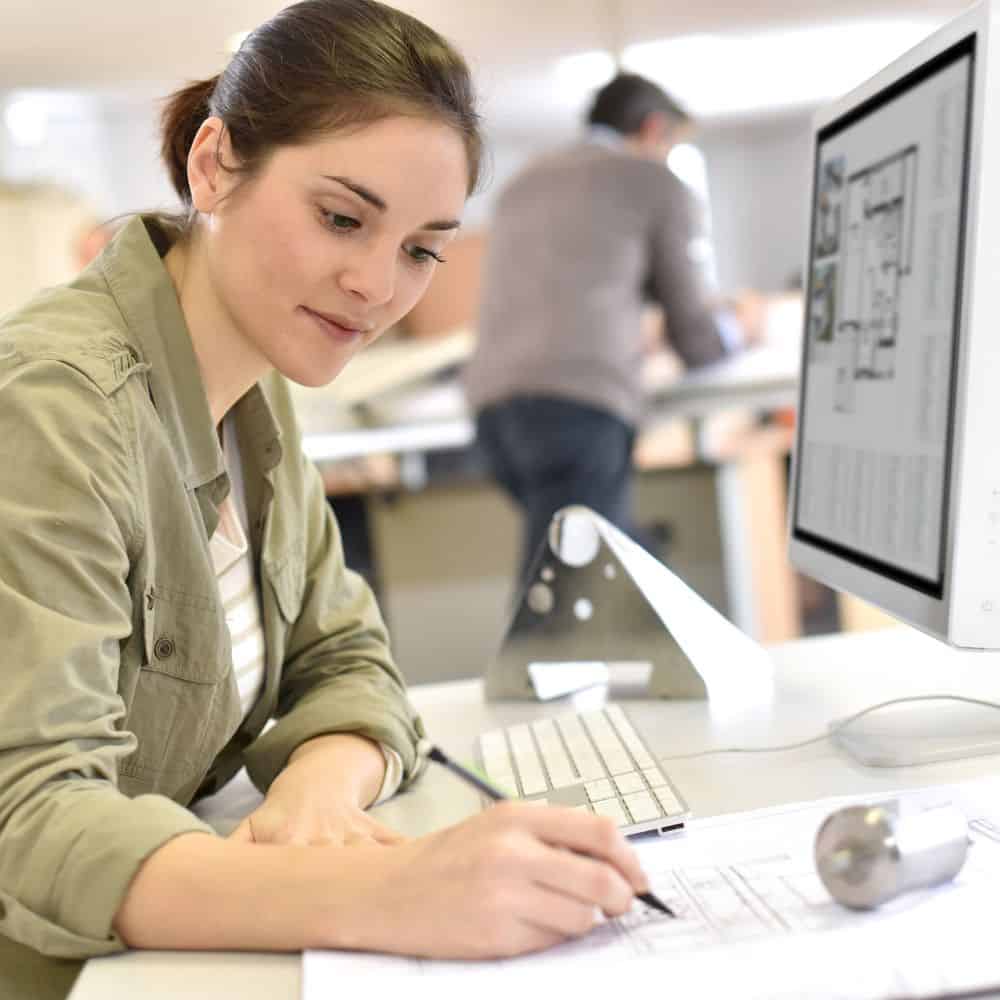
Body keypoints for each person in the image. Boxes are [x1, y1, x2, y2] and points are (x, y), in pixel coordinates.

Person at [0, 4, 651, 997]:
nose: (375, 286)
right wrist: (388, 888)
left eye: (421, 249)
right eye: (342, 218)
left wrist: (318, 785)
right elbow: (32, 816)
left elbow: (344, 653)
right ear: (214, 164)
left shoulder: (256, 384)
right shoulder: (56, 403)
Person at [464, 73, 765, 586]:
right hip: (574, 411)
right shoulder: (652, 181)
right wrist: (743, 327)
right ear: (652, 128)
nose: (669, 157)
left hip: (491, 413)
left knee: (593, 559)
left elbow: (563, 292)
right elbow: (695, 336)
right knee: (568, 590)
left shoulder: (524, 181)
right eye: (671, 145)